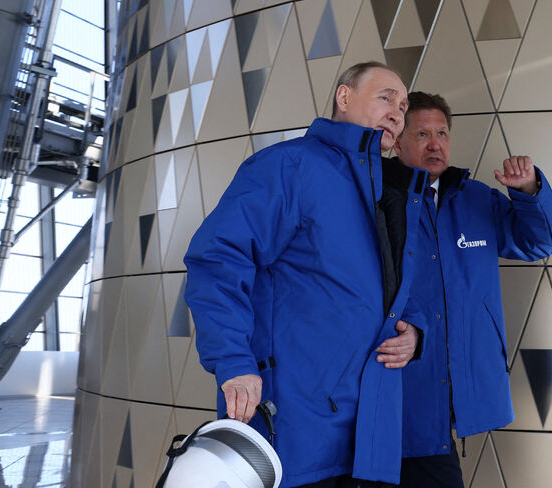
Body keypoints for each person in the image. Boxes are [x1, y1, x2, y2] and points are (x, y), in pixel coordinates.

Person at [185, 62, 432, 488]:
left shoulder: (392, 194)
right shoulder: (291, 166)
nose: (397, 111)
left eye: (404, 105)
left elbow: (395, 296)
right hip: (294, 428)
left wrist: (415, 333)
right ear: (344, 97)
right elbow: (219, 259)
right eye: (386, 97)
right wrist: (233, 361)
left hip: (367, 432)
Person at [392, 92, 552, 488]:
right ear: (397, 141)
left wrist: (529, 192)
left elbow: (536, 243)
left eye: (442, 133)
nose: (436, 144)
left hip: (450, 394)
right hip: (396, 390)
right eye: (422, 134)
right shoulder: (378, 200)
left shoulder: (475, 199)